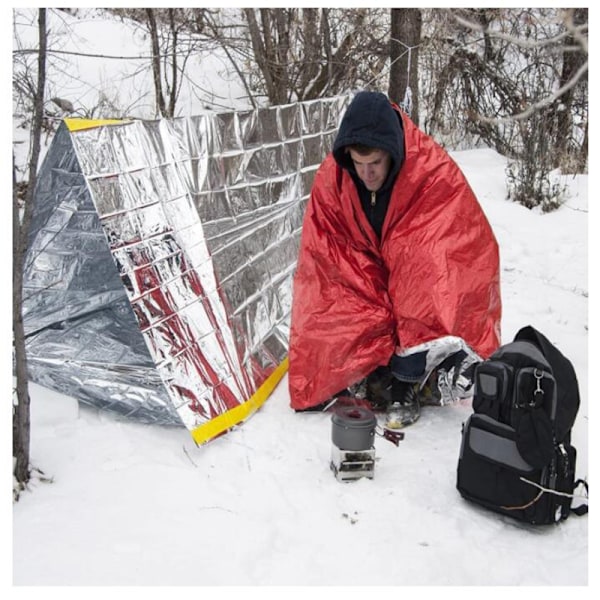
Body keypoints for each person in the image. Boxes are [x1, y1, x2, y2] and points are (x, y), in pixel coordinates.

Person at [288, 90, 502, 423]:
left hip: (416, 264)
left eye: (375, 163)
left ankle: (407, 383)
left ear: (394, 153)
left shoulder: (430, 171)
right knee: (334, 290)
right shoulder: (335, 176)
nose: (366, 174)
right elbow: (325, 247)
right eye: (358, 164)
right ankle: (362, 371)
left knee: (421, 282)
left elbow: (452, 241)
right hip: (366, 261)